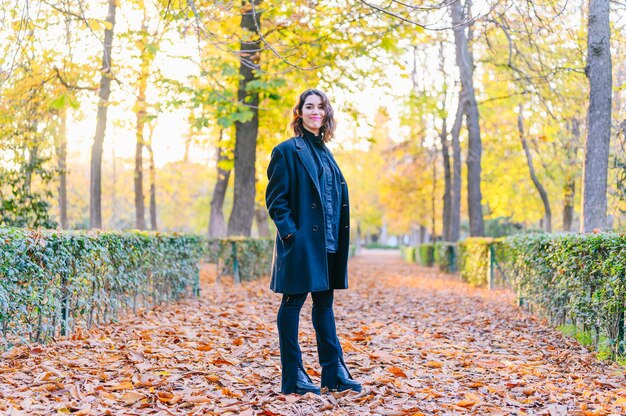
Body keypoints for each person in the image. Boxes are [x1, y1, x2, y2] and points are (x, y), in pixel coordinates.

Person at [265, 89, 362, 395]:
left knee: (324, 305)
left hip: (328, 245)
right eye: (309, 107)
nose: (315, 111)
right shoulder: (287, 151)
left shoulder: (326, 153)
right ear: (300, 113)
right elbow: (275, 201)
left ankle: (333, 372)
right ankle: (293, 374)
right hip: (302, 244)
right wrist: (292, 234)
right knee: (293, 303)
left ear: (326, 114)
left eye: (320, 107)